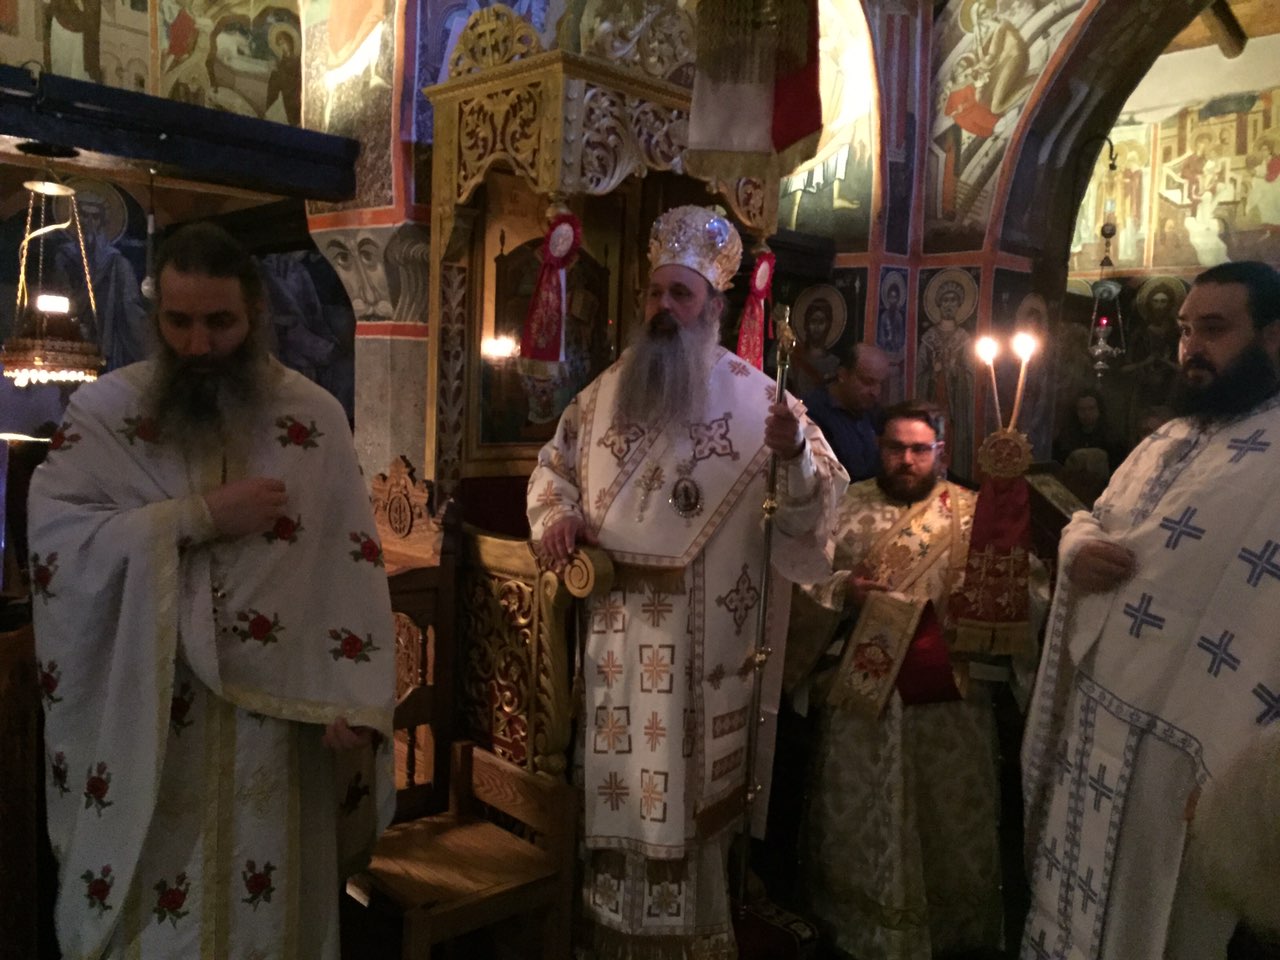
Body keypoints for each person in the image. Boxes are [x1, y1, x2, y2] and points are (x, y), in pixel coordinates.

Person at [31, 222, 395, 959]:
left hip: (278, 725)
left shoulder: (313, 419)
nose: (198, 345)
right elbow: (58, 546)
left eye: (219, 322)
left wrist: (355, 699)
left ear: (255, 312)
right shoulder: (106, 415)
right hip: (150, 716)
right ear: (155, 315)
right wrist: (196, 518)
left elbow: (346, 563)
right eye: (180, 321)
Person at [526, 205, 846, 959]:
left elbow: (817, 512)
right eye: (655, 292)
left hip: (704, 654)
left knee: (681, 801)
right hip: (611, 642)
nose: (663, 307)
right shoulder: (602, 394)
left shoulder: (763, 404)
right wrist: (557, 516)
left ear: (712, 307)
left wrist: (794, 454)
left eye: (681, 294)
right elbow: (552, 468)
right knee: (615, 795)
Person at [1021, 261, 1280, 960]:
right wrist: (1077, 547)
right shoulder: (1168, 438)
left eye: (1215, 330)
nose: (1191, 348)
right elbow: (1095, 517)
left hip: (1197, 757)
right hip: (1097, 729)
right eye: (1186, 331)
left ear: (1273, 338)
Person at [790, 401, 1043, 960]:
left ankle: (954, 933)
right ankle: (855, 928)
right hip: (862, 704)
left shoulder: (976, 514)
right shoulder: (842, 508)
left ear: (940, 453)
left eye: (919, 449)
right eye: (895, 448)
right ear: (879, 448)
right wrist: (843, 591)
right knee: (859, 821)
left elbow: (1027, 592)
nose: (906, 460)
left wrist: (990, 600)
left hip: (950, 710)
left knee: (947, 824)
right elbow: (799, 582)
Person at [802, 342, 889, 482]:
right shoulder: (812, 414)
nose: (876, 392)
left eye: (881, 384)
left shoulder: (871, 409)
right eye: (868, 382)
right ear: (843, 375)